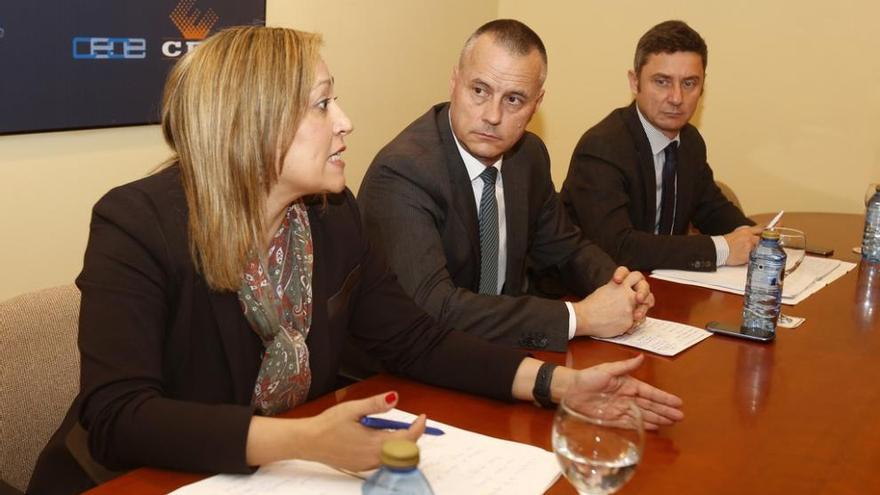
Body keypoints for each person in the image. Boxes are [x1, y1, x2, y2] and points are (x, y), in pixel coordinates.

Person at [27, 26, 683, 494]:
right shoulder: (138, 223)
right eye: (321, 104)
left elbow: (416, 339)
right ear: (253, 121)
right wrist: (302, 441)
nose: (345, 121)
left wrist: (555, 384)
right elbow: (121, 416)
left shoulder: (333, 217)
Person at [358, 19, 653, 354]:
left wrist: (619, 284)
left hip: (496, 353)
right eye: (479, 90)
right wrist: (579, 317)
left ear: (536, 104)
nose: (493, 115)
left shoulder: (528, 156)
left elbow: (566, 249)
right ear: (455, 81)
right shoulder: (403, 172)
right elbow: (434, 308)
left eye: (513, 99)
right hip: (399, 373)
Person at [560, 20, 761, 272]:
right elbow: (617, 248)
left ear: (702, 86)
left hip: (663, 285)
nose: (677, 98)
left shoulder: (690, 142)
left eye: (689, 83)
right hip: (589, 292)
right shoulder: (601, 148)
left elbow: (711, 209)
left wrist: (758, 239)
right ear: (635, 83)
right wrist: (722, 249)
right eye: (662, 81)